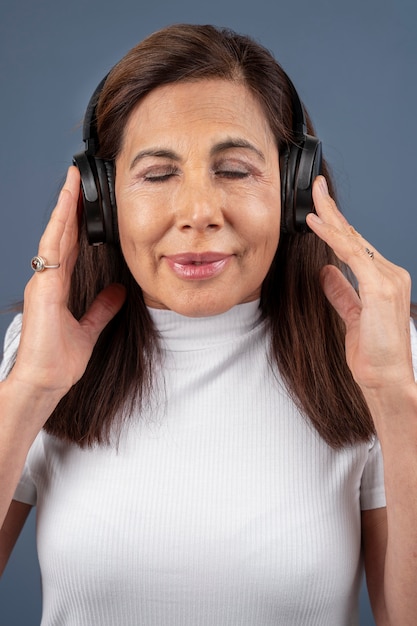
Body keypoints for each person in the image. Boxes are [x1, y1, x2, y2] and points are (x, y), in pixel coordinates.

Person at [0, 23, 416, 626]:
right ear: (102, 200)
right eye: (159, 173)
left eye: (236, 170)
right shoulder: (37, 354)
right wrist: (31, 388)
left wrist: (396, 399)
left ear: (297, 189)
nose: (198, 214)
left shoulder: (377, 355)